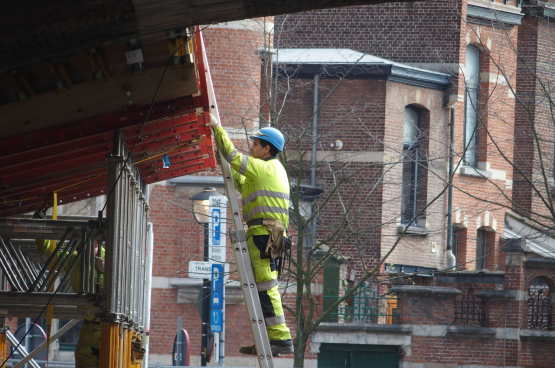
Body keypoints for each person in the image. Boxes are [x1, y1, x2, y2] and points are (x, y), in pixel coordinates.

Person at [210, 114, 294, 356]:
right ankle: (269, 340)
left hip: (264, 232)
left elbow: (233, 156)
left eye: (256, 144)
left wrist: (217, 127)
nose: (251, 146)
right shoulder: (270, 170)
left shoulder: (264, 167)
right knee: (263, 286)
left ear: (267, 148)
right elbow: (241, 181)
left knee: (266, 286)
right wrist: (224, 164)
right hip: (271, 232)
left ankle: (280, 338)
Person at [33, 207, 105, 368]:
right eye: (77, 248)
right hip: (89, 325)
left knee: (111, 361)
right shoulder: (76, 260)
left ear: (96, 243)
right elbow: (48, 256)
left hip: (109, 326)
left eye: (81, 247)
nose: (78, 251)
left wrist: (109, 272)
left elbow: (125, 292)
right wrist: (40, 225)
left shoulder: (113, 258)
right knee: (82, 359)